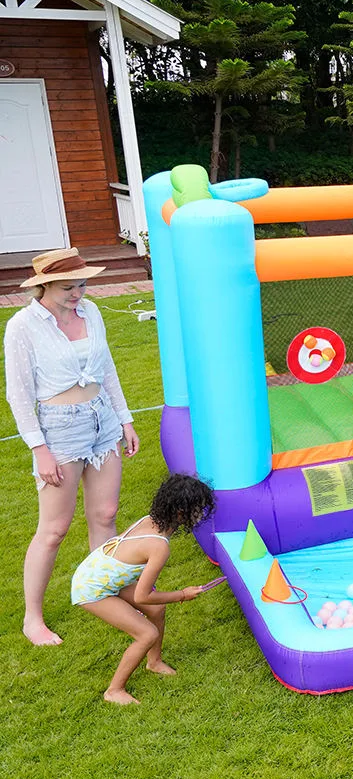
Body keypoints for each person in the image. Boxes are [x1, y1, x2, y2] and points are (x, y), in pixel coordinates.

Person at [4, 247, 140, 646]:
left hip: (104, 421)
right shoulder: (23, 326)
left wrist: (125, 419)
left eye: (82, 284)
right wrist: (39, 449)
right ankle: (33, 618)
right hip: (59, 431)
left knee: (106, 514)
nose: (78, 293)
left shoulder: (92, 312)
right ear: (43, 286)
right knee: (54, 529)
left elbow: (107, 367)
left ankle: (103, 592)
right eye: (68, 287)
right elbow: (18, 394)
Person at [71, 473, 216, 705]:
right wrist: (182, 595)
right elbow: (143, 595)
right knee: (147, 634)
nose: (200, 514)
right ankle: (114, 690)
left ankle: (154, 662)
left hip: (99, 574)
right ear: (181, 512)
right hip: (92, 589)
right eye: (196, 509)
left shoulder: (148, 519)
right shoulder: (159, 546)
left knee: (157, 612)